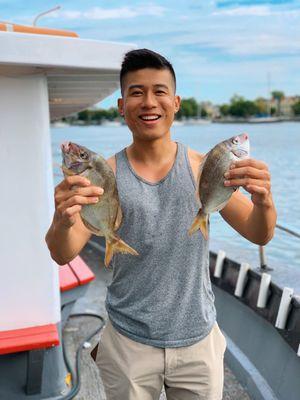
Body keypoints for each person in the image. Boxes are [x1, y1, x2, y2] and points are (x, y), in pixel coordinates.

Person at [46, 49, 277, 400]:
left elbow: (259, 232)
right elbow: (62, 253)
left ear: (176, 102)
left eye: (160, 91)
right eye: (137, 92)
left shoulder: (205, 167)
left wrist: (264, 200)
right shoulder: (102, 176)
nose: (149, 102)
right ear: (122, 106)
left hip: (197, 340)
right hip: (127, 342)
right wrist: (62, 219)